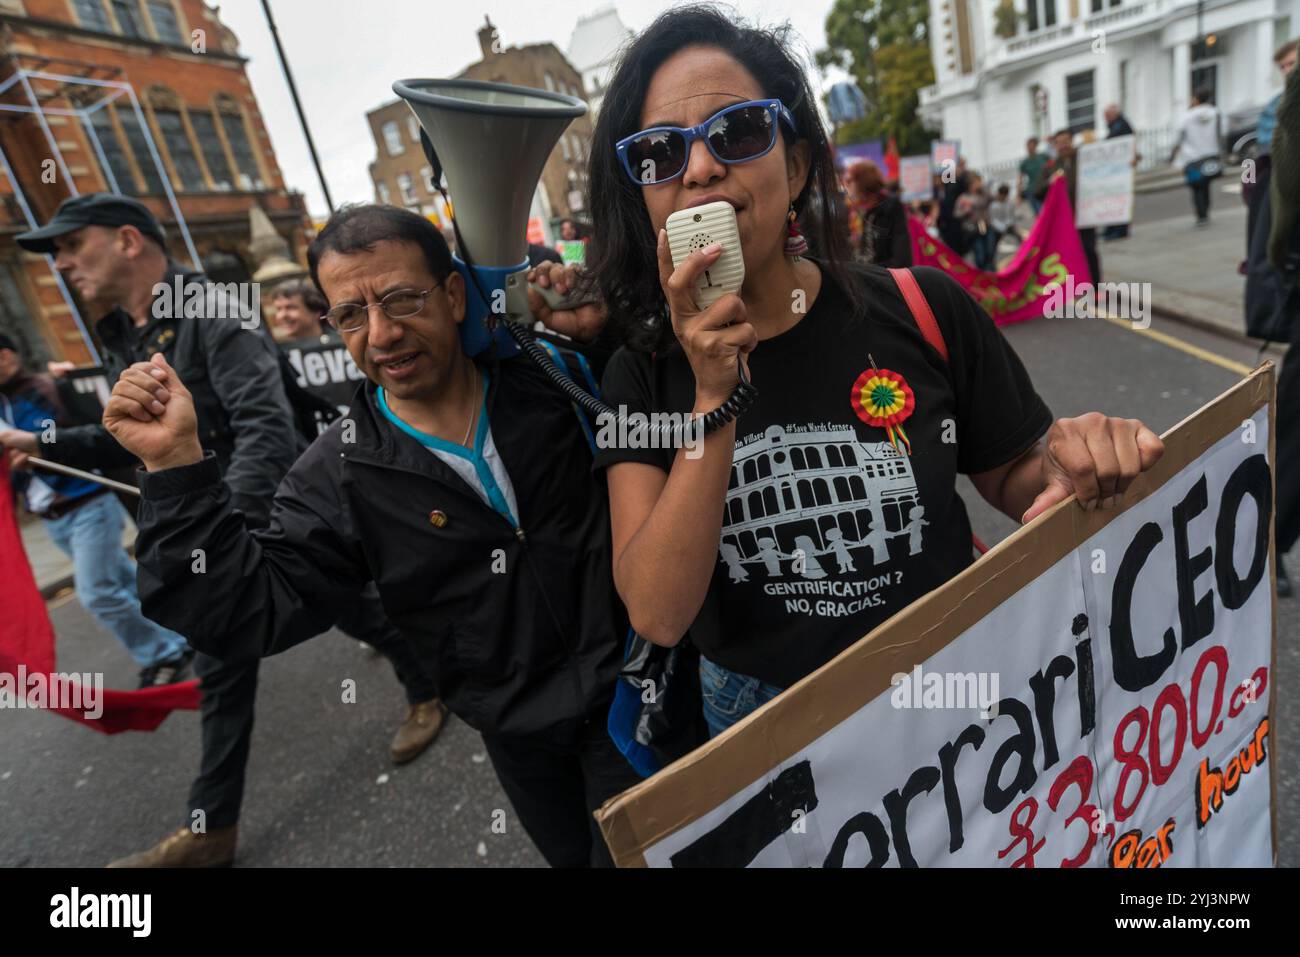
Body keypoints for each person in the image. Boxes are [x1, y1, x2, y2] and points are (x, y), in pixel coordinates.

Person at [583, 6, 1164, 737]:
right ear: (644, 192)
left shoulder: (924, 306)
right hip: (765, 727)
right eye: (660, 153)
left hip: (953, 685)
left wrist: (1070, 463)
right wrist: (712, 396)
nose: (699, 167)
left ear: (795, 168)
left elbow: (1017, 470)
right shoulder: (638, 377)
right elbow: (658, 612)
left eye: (738, 132)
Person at [100, 203, 642, 868]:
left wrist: (605, 327)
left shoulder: (553, 376)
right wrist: (175, 471)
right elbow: (240, 610)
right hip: (522, 743)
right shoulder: (335, 472)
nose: (381, 333)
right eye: (350, 314)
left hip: (641, 706)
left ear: (451, 295)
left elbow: (685, 406)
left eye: (401, 299)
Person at [8, 194, 443, 868]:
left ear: (127, 240)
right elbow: (122, 435)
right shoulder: (122, 329)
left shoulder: (216, 307)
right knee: (331, 610)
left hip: (268, 505)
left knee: (226, 643)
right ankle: (424, 685)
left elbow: (263, 425)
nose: (62, 263)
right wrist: (32, 437)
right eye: (55, 254)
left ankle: (211, 829)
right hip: (215, 518)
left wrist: (218, 536)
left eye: (70, 244)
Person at [0, 334, 191, 686]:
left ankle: (164, 654)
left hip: (87, 501)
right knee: (124, 583)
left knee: (96, 593)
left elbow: (72, 434)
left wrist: (32, 445)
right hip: (53, 517)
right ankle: (184, 634)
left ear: (7, 357)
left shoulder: (44, 388)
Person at [1038, 129, 1101, 284]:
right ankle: (1079, 284)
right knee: (1070, 253)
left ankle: (1096, 285)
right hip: (1064, 220)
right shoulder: (1051, 166)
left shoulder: (1085, 158)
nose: (1063, 145)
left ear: (1072, 141)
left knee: (1089, 250)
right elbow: (1037, 191)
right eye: (1059, 142)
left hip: (1085, 214)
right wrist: (1050, 183)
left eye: (1066, 141)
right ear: (1055, 145)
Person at [844, 159, 911, 268]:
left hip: (884, 278)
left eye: (850, 180)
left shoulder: (890, 207)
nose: (846, 184)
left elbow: (901, 258)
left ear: (863, 182)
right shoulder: (852, 210)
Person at [1171, 89, 1223, 227]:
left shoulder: (1187, 116)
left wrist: (1174, 154)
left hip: (1192, 157)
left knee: (1196, 186)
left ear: (1196, 99)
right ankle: (1205, 210)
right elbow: (1220, 133)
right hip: (1210, 153)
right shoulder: (1215, 113)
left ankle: (1201, 215)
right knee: (1206, 184)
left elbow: (1178, 136)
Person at [1102, 104, 1135, 240]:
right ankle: (1111, 228)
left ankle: (1120, 230)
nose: (1105, 119)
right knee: (1111, 199)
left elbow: (1115, 142)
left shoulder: (1120, 125)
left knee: (1119, 199)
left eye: (1107, 116)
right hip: (1114, 169)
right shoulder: (1116, 125)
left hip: (1120, 169)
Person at [987, 183, 1019, 261]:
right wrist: (1002, 229)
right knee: (992, 246)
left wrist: (1010, 225)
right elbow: (993, 220)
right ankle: (990, 260)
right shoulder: (993, 205)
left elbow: (1011, 216)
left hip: (1008, 226)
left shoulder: (1010, 203)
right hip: (996, 228)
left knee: (1020, 238)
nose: (1003, 197)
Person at [1018, 138, 1048, 215]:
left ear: (1035, 146)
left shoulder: (1043, 157)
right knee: (1039, 212)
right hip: (1032, 191)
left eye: (1032, 146)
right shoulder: (1025, 162)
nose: (1030, 148)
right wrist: (1018, 194)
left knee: (1047, 210)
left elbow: (1053, 166)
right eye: (1028, 146)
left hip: (1045, 188)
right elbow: (1020, 179)